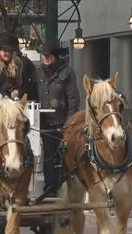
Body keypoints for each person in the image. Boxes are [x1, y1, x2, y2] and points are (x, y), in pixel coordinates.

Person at [35, 40, 80, 196]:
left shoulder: (66, 73)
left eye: (49, 56)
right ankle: (49, 185)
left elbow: (73, 99)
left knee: (62, 155)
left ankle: (62, 185)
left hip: (61, 122)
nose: (46, 59)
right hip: (41, 122)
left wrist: (69, 124)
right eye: (44, 56)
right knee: (46, 155)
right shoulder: (38, 73)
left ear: (55, 57)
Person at [0, 35, 38, 101]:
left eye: (10, 51)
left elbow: (30, 82)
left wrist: (19, 91)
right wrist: (2, 94)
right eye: (5, 50)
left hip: (17, 101)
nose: (8, 53)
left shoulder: (21, 63)